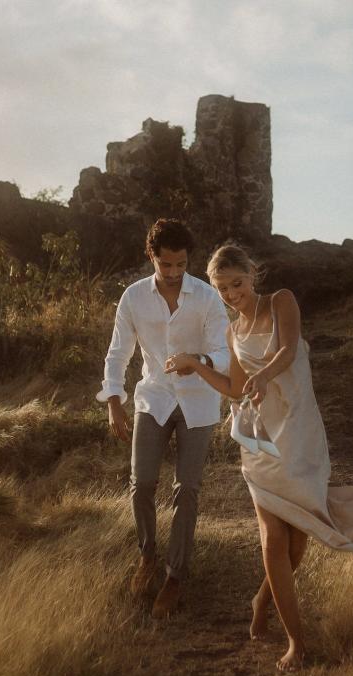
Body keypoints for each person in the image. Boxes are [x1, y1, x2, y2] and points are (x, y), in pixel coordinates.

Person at [165, 244, 353, 671]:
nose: (232, 294)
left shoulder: (281, 302)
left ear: (252, 275)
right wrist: (195, 366)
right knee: (273, 539)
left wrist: (263, 374)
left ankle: (261, 598)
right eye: (222, 289)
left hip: (298, 435)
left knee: (295, 548)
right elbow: (236, 390)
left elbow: (289, 350)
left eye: (237, 283)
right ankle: (297, 642)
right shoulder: (231, 332)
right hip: (259, 442)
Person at [96, 219, 230, 619]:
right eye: (165, 265)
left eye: (181, 265)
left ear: (189, 260)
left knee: (187, 489)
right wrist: (113, 400)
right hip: (153, 398)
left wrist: (199, 361)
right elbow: (118, 352)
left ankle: (175, 576)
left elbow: (224, 352)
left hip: (199, 402)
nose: (173, 274)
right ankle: (147, 556)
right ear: (151, 256)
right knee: (142, 485)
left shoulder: (207, 297)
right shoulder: (133, 297)